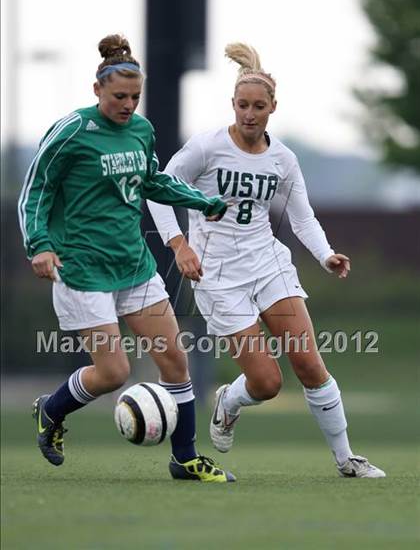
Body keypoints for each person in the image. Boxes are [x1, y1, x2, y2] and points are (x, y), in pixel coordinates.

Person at [147, 42, 386, 479]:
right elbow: (159, 188)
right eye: (242, 105)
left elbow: (303, 216)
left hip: (268, 265)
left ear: (273, 107)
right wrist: (179, 244)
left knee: (311, 364)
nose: (249, 114)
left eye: (259, 106)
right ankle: (229, 400)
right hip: (218, 277)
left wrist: (326, 254)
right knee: (267, 383)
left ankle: (346, 459)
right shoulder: (207, 147)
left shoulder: (283, 159)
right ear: (232, 105)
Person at [17, 34, 235, 483]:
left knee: (175, 360)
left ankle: (185, 458)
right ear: (96, 90)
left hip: (134, 267)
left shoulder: (141, 130)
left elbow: (152, 181)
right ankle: (51, 411)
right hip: (82, 270)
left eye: (135, 97)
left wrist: (200, 201)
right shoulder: (73, 131)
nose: (128, 105)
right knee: (113, 372)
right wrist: (38, 245)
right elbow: (34, 191)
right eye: (119, 96)